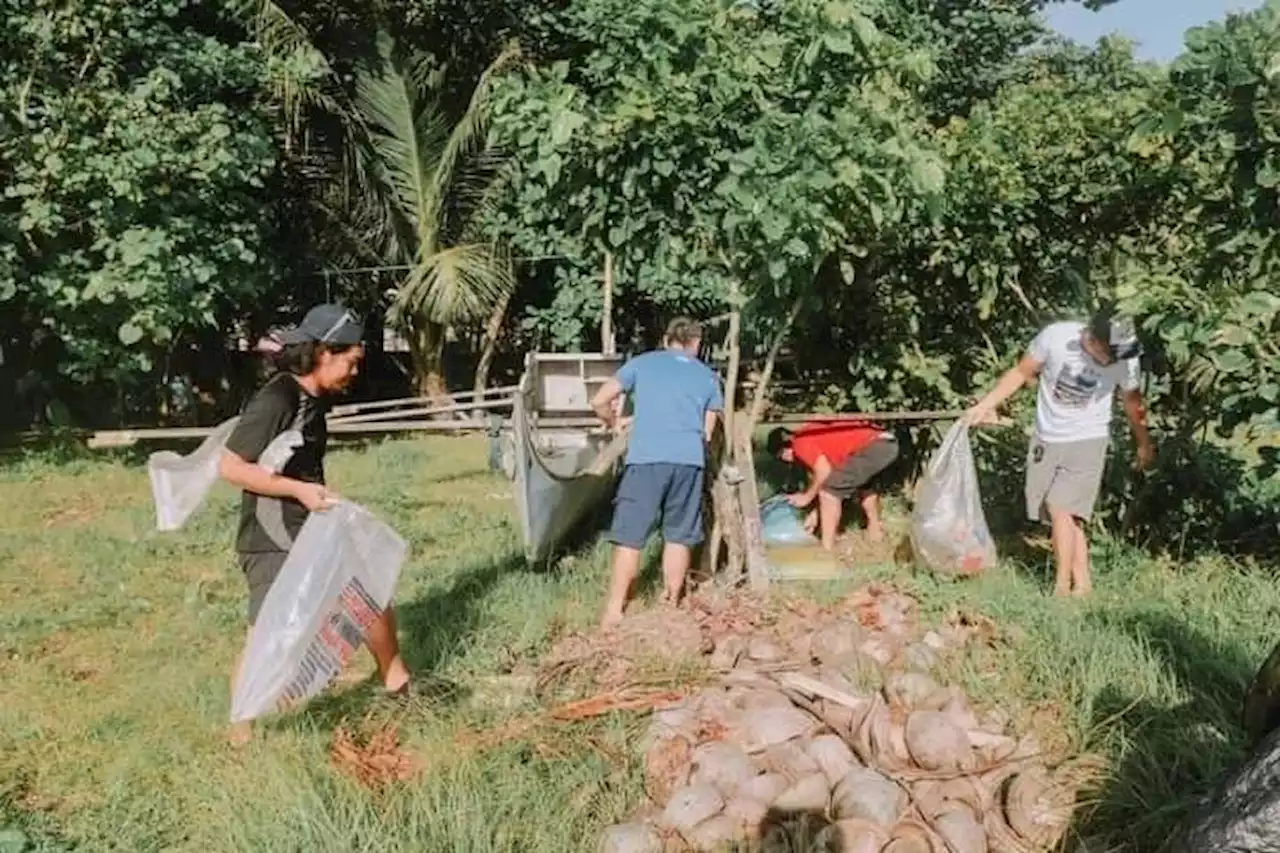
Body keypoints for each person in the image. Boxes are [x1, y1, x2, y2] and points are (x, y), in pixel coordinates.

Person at [217, 304, 411, 745]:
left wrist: (317, 494)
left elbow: (295, 464)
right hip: (272, 536)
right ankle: (239, 740)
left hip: (308, 524)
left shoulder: (312, 400)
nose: (355, 372)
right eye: (351, 361)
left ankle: (398, 684)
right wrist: (299, 492)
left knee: (369, 592)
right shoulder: (278, 398)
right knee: (268, 635)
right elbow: (230, 467)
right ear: (324, 352)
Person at [965, 306, 1155, 597]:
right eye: (1108, 354)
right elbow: (1021, 372)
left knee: (1060, 508)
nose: (1114, 362)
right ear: (1090, 339)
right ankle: (1084, 586)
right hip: (1047, 439)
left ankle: (1061, 589)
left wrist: (1143, 443)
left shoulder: (1124, 356)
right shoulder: (1054, 338)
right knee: (1065, 517)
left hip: (1088, 440)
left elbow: (1132, 403)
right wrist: (985, 405)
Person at [590, 317, 724, 630]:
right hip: (688, 462)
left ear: (666, 340)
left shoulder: (642, 364)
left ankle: (614, 610)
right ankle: (670, 603)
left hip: (646, 459)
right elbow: (707, 431)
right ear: (696, 344)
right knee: (679, 535)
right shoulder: (707, 376)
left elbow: (599, 400)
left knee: (630, 536)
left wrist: (614, 422)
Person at [766, 418, 900, 550]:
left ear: (786, 447)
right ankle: (875, 531)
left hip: (875, 446)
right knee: (862, 484)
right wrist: (815, 514)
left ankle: (827, 550)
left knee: (828, 493)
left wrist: (806, 498)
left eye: (781, 456)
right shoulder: (807, 434)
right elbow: (828, 476)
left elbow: (824, 472)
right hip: (884, 441)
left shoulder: (800, 444)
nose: (786, 461)